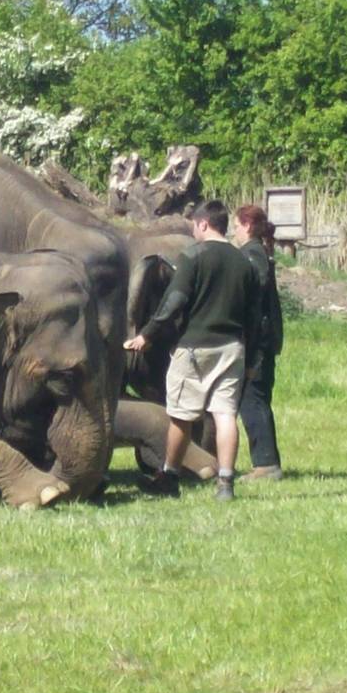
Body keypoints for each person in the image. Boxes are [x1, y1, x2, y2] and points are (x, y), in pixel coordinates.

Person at [124, 199, 261, 501]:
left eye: (194, 227)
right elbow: (253, 317)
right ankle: (226, 483)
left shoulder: (194, 256)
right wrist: (252, 358)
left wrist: (146, 334)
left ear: (202, 224)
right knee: (225, 415)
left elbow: (175, 300)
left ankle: (169, 476)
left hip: (195, 347)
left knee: (180, 416)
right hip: (233, 347)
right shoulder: (245, 263)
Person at [233, 204, 284, 480]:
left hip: (258, 341)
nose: (235, 231)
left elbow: (256, 303)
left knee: (253, 399)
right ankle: (266, 461)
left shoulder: (252, 256)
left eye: (237, 226)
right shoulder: (260, 253)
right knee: (256, 398)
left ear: (248, 226)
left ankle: (266, 464)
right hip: (265, 339)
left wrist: (252, 352)